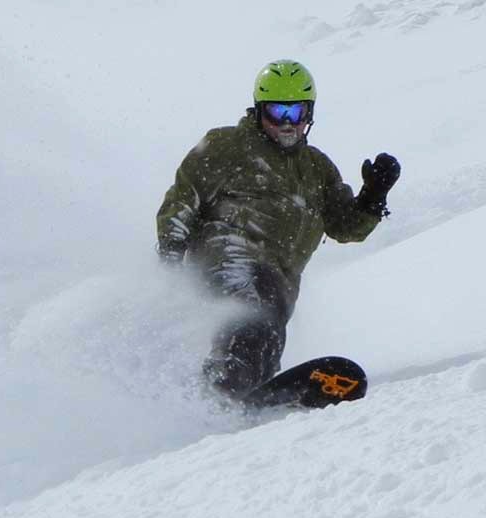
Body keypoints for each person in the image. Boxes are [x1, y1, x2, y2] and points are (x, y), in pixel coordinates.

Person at [156, 59, 401, 399]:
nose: (287, 124)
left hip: (279, 283)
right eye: (277, 112)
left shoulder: (316, 168)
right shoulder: (226, 146)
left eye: (296, 113)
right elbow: (183, 199)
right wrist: (170, 252)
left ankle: (246, 397)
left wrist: (373, 197)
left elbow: (346, 228)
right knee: (253, 310)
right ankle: (224, 390)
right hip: (228, 259)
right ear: (259, 111)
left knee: (267, 332)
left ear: (309, 114)